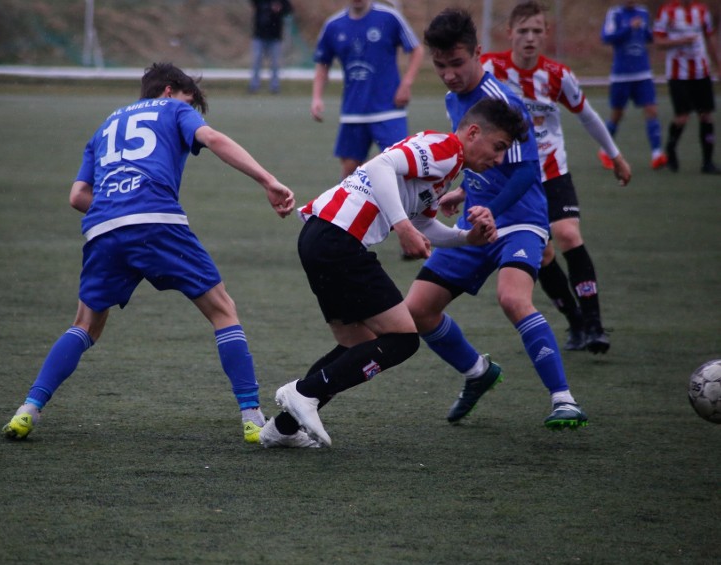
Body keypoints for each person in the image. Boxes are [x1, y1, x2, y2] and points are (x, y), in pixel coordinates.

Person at [2, 63, 296, 443]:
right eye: (190, 101)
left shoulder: (104, 126)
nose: (190, 109)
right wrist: (268, 181)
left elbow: (77, 196)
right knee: (223, 310)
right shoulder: (173, 109)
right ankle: (252, 418)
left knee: (85, 324)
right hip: (157, 221)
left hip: (103, 228)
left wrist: (117, 206)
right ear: (171, 91)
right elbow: (214, 139)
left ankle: (28, 410)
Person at [260, 98, 526, 448]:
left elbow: (423, 224)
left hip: (323, 238)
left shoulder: (447, 168)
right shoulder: (445, 148)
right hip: (338, 239)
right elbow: (381, 165)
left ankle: (282, 428)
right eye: (499, 147)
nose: (499, 159)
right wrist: (401, 227)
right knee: (402, 339)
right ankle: (304, 393)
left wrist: (466, 238)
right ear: (473, 132)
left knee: (358, 344)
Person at [404, 8, 589, 430]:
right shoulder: (454, 99)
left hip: (520, 217)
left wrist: (494, 210)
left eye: (457, 63)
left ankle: (564, 400)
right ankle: (477, 372)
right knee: (417, 310)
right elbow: (481, 160)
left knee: (512, 298)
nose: (449, 74)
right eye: (440, 65)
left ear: (478, 54)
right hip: (477, 219)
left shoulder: (504, 101)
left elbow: (525, 170)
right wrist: (462, 191)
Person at [481, 0, 632, 354]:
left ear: (546, 34)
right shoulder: (492, 69)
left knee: (566, 233)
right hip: (514, 176)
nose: (530, 38)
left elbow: (588, 116)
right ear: (509, 34)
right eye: (523, 31)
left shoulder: (557, 75)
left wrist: (616, 155)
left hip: (552, 170)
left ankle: (594, 324)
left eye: (537, 31)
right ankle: (575, 323)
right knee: (544, 253)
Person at [311, 0, 424, 180]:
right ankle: (348, 206)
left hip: (388, 109)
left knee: (400, 165)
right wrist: (317, 98)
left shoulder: (389, 17)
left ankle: (396, 205)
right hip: (353, 111)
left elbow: (417, 49)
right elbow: (322, 63)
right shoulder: (333, 25)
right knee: (349, 171)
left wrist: (406, 84)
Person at [653, 0, 720, 174]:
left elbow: (710, 37)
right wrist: (682, 40)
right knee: (682, 117)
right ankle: (671, 150)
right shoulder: (667, 12)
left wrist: (718, 64)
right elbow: (658, 42)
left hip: (701, 71)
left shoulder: (702, 11)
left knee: (706, 116)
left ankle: (707, 162)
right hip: (678, 74)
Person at [600, 1, 667, 171]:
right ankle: (605, 151)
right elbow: (606, 37)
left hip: (643, 72)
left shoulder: (643, 12)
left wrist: (662, 32)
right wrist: (629, 28)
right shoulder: (615, 14)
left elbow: (650, 36)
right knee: (617, 115)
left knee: (652, 110)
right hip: (621, 75)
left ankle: (657, 154)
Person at [248, 0, 293, 95]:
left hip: (275, 36)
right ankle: (254, 86)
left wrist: (280, 9)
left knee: (275, 63)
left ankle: (275, 87)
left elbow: (289, 9)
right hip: (259, 35)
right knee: (256, 61)